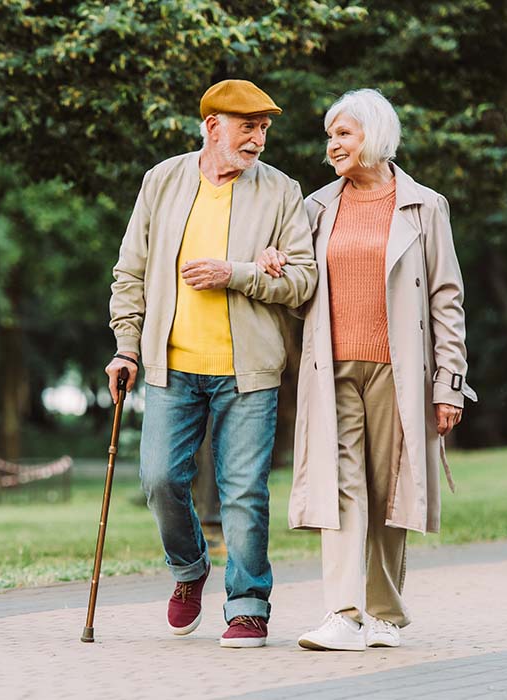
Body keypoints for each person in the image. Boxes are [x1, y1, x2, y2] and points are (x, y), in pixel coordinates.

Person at [258, 89, 477, 651]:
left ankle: (384, 614)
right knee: (341, 485)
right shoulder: (315, 207)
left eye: (344, 134)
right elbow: (298, 284)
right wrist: (273, 262)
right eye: (331, 135)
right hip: (331, 366)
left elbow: (446, 300)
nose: (332, 145)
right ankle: (342, 612)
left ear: (374, 137)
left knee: (390, 490)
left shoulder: (426, 207)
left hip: (399, 371)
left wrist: (448, 383)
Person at [106, 79, 317, 648]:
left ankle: (248, 604)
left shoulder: (280, 192)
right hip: (171, 369)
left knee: (244, 490)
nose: (259, 140)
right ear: (212, 126)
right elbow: (130, 273)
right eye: (248, 127)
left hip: (248, 372)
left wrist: (239, 273)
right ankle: (190, 568)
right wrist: (127, 346)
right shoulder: (163, 181)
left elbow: (303, 282)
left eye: (265, 129)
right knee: (158, 479)